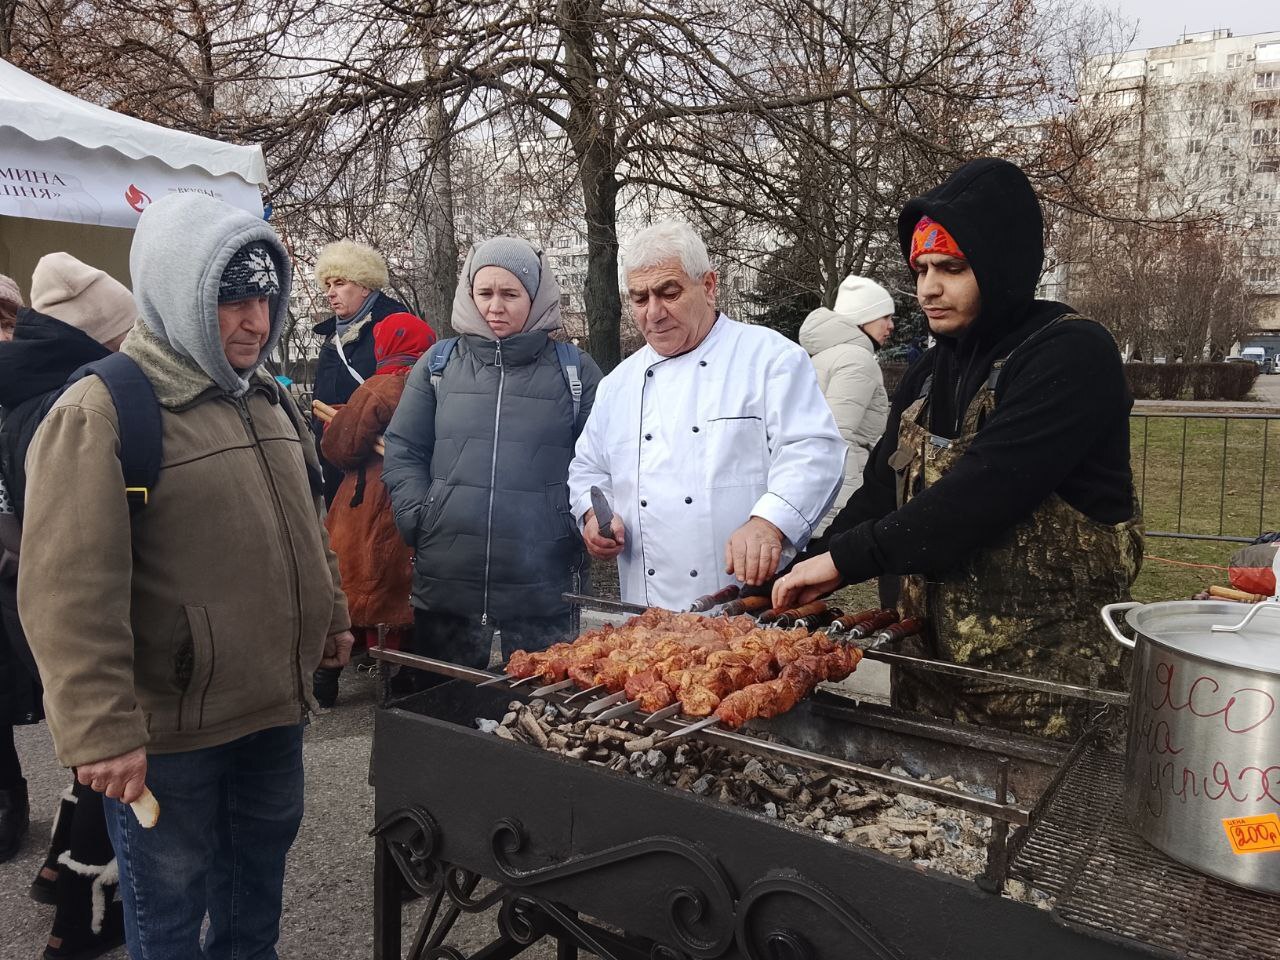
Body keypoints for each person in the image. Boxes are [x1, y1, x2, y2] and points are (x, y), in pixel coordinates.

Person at [18, 193, 354, 959]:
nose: (255, 321)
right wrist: (100, 732)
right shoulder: (101, 410)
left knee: (252, 914)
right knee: (168, 926)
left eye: (265, 298)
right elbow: (67, 593)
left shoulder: (269, 398)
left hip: (273, 713)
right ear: (179, 292)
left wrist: (332, 612)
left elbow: (307, 522)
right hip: (170, 739)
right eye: (232, 299)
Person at [773, 158, 1142, 740]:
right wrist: (806, 569)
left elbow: (980, 494)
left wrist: (846, 559)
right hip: (927, 679)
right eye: (920, 269)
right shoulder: (928, 373)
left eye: (952, 268)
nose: (927, 288)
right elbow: (880, 492)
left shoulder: (1071, 355)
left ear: (1001, 267)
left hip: (1042, 693)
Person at [568, 220, 846, 610]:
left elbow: (814, 450)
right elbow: (588, 469)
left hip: (746, 604)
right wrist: (593, 516)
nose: (654, 313)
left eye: (669, 293)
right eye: (640, 298)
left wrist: (770, 522)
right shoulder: (618, 385)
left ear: (709, 286)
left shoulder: (770, 358)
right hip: (646, 611)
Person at [0, 253, 138, 958]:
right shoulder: (73, 403)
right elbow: (77, 543)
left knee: (89, 752)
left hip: (27, 591)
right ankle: (84, 921)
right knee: (111, 753)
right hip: (51, 596)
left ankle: (58, 872)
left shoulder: (27, 388)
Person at [383, 237, 602, 669]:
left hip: (543, 581)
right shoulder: (438, 365)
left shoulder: (575, 371)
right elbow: (404, 447)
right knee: (443, 704)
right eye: (484, 293)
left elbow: (601, 462)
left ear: (535, 297)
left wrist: (573, 524)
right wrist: (420, 517)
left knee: (542, 702)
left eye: (510, 294)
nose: (494, 307)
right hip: (448, 576)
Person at [314, 311, 436, 706]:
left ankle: (327, 676)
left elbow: (343, 448)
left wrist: (336, 424)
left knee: (359, 585)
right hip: (417, 497)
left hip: (368, 504)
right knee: (400, 589)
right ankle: (401, 673)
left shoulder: (380, 386)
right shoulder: (436, 386)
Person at [311, 239, 409, 504]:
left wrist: (354, 428)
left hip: (376, 470)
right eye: (328, 285)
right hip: (333, 461)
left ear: (365, 286)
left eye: (340, 283)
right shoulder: (332, 335)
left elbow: (402, 399)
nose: (330, 293)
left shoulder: (396, 327)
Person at [799, 275, 893, 535]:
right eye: (885, 317)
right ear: (863, 318)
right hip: (840, 496)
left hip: (812, 490)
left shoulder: (823, 355)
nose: (891, 326)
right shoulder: (857, 359)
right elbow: (837, 435)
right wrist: (839, 514)